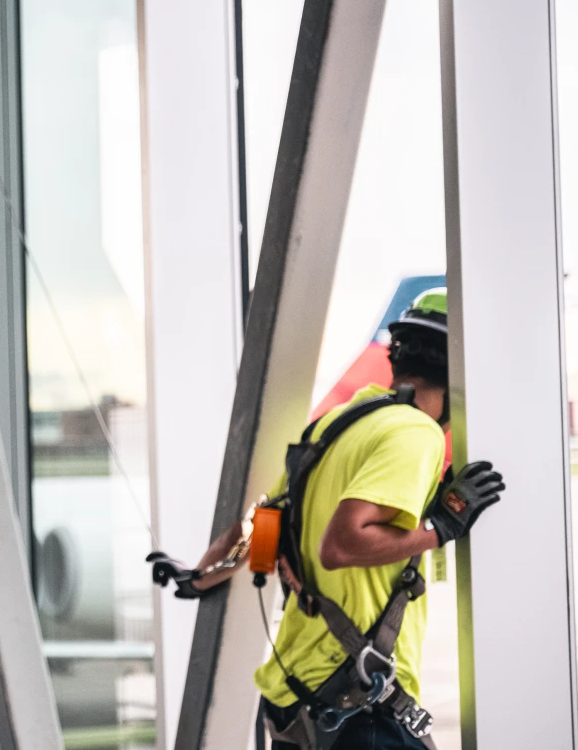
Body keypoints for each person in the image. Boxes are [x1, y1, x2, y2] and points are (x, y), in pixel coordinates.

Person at [151, 288, 504, 749]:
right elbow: (339, 547)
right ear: (460, 370)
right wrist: (442, 527)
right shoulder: (417, 434)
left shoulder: (337, 423)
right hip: (356, 704)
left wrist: (203, 576)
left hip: (295, 700)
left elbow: (265, 528)